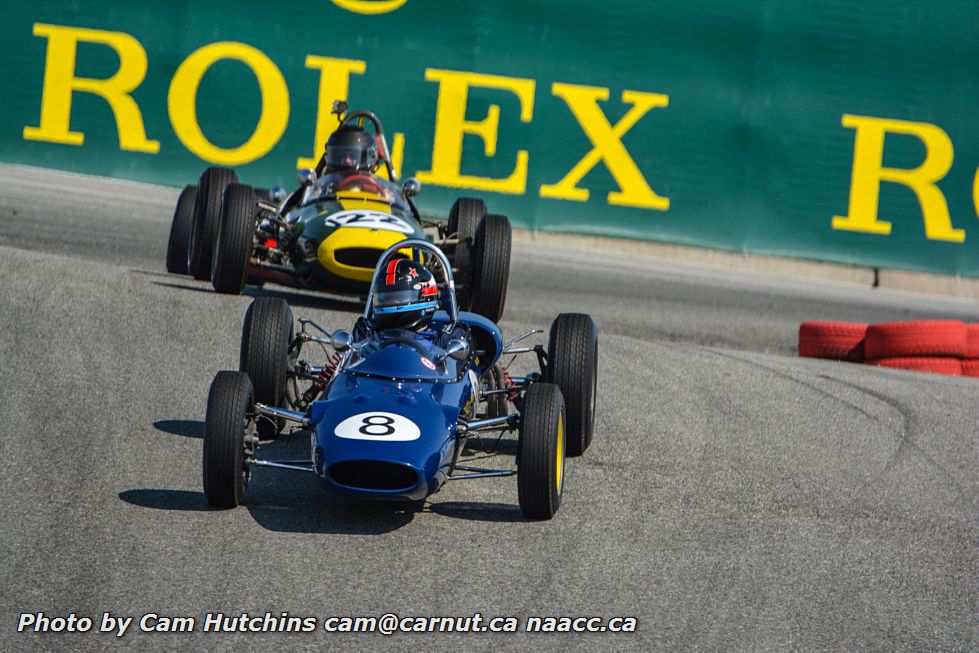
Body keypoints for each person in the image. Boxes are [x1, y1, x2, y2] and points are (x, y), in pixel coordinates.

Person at [352, 259, 466, 351]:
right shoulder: (367, 332)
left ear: (425, 296)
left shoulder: (444, 340)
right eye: (385, 298)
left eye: (399, 297)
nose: (392, 302)